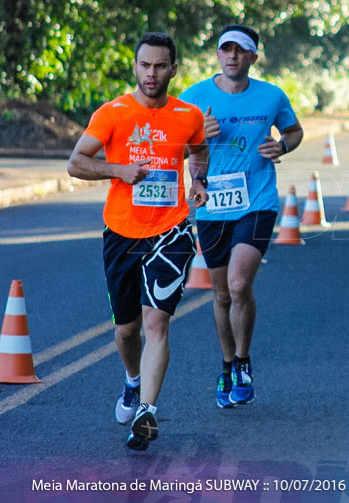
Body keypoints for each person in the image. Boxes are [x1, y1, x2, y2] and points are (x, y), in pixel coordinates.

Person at [67, 32, 209, 451]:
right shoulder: (112, 114)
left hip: (172, 230)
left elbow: (199, 150)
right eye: (145, 65)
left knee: (156, 323)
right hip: (122, 234)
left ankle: (146, 411)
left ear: (173, 69)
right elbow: (76, 163)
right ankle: (132, 382)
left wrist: (197, 180)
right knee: (127, 330)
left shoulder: (188, 114)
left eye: (160, 65)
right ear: (135, 66)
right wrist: (118, 171)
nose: (152, 73)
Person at [179, 24, 304, 408]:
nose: (232, 55)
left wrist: (281, 145)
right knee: (219, 295)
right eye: (226, 49)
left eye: (240, 50)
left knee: (237, 285)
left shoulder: (271, 96)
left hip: (257, 202)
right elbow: (174, 150)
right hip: (213, 205)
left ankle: (244, 361)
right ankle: (227, 364)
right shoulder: (193, 97)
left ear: (253, 57)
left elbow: (295, 131)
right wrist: (197, 137)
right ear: (218, 55)